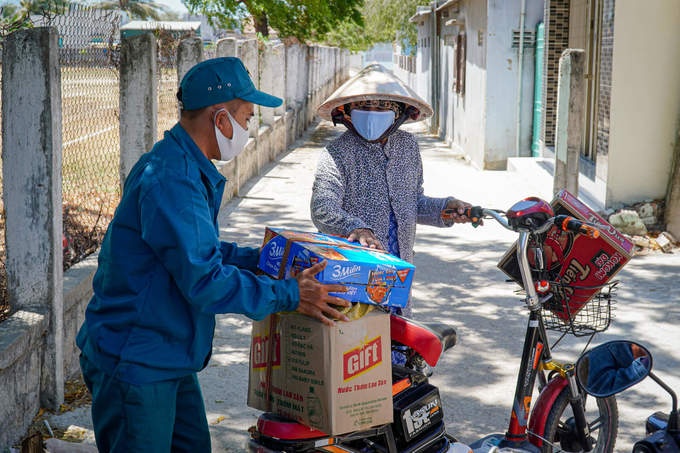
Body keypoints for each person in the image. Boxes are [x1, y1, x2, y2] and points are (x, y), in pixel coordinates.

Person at [76, 57, 350, 452]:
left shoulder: (182, 165)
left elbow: (191, 251)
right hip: (135, 358)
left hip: (168, 351)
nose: (248, 128)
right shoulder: (173, 179)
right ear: (220, 119)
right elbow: (204, 280)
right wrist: (291, 294)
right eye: (246, 117)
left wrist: (259, 259)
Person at [311, 63, 476, 318]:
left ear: (399, 113)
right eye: (364, 106)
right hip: (354, 279)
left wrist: (445, 208)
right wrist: (356, 228)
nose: (372, 113)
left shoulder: (408, 147)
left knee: (399, 351)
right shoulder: (336, 154)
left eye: (382, 107)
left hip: (399, 275)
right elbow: (322, 208)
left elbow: (412, 203)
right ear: (347, 112)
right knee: (363, 348)